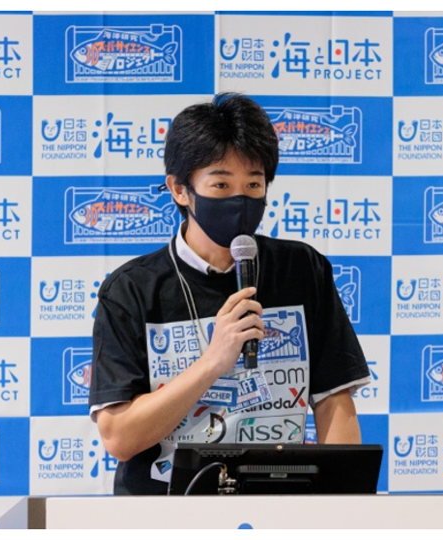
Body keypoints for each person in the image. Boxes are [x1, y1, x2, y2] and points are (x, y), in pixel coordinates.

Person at [90, 93, 371, 495]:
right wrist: (212, 363)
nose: (240, 200)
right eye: (221, 184)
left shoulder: (302, 269)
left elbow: (334, 402)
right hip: (166, 510)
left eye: (253, 184)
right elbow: (119, 437)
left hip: (275, 504)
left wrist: (341, 505)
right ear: (180, 189)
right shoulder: (132, 289)